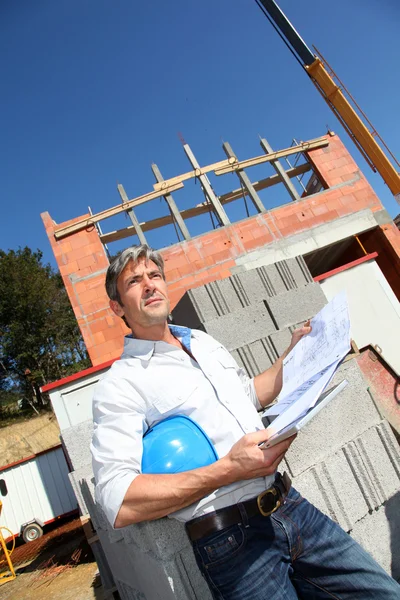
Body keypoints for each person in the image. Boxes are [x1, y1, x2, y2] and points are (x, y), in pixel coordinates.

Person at [91, 244, 400, 600]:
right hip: (231, 542)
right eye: (134, 281)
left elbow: (248, 395)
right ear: (118, 306)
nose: (149, 285)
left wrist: (293, 356)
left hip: (291, 506)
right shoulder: (121, 383)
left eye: (154, 275)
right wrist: (228, 470)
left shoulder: (202, 343)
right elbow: (117, 500)